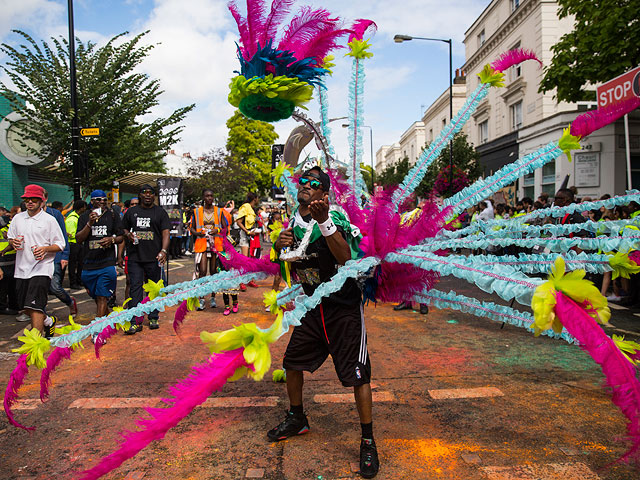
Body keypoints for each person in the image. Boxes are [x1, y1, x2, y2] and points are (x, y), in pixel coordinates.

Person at [270, 166, 379, 478]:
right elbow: (288, 269)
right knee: (292, 362)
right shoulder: (293, 220)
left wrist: (324, 222)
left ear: (324, 194)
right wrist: (279, 247)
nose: (304, 185)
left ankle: (368, 440)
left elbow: (346, 257)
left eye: (312, 183)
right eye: (302, 181)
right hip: (312, 308)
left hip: (342, 309)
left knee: (358, 376)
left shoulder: (335, 217)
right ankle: (297, 418)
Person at [7, 184, 66, 337]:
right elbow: (10, 238)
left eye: (34, 199)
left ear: (41, 201)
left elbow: (60, 244)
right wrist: (13, 243)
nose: (30, 202)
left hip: (42, 268)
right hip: (21, 269)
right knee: (25, 306)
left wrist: (45, 249)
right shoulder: (18, 219)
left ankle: (36, 342)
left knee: (37, 305)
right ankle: (48, 321)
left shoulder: (49, 220)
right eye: (27, 199)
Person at [120, 184, 170, 334]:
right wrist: (128, 234)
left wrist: (164, 251)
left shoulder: (160, 212)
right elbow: (123, 228)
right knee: (135, 288)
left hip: (154, 257)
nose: (148, 195)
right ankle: (135, 321)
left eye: (151, 193)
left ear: (154, 196)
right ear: (139, 195)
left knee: (154, 288)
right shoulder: (132, 212)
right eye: (144, 193)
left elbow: (166, 233)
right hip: (135, 257)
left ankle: (153, 316)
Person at [76, 190, 124, 342]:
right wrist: (89, 223)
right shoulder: (84, 217)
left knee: (102, 296)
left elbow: (121, 236)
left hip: (107, 263)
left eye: (104, 200)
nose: (101, 203)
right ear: (92, 202)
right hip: (88, 264)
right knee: (96, 297)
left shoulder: (113, 215)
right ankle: (110, 320)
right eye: (98, 200)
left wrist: (112, 239)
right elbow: (78, 239)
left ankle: (97, 331)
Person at [191, 189, 234, 310]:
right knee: (203, 271)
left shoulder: (219, 211)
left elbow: (225, 228)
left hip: (216, 245)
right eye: (207, 196)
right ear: (203, 198)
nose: (209, 198)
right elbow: (192, 228)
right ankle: (202, 298)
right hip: (202, 243)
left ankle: (213, 297)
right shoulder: (197, 211)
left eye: (211, 196)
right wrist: (198, 233)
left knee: (214, 272)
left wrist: (218, 230)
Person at [43, 190, 77, 317]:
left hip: (55, 256)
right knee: (39, 288)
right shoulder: (26, 216)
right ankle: (42, 314)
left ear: (45, 198)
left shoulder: (55, 214)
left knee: (55, 287)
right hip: (37, 259)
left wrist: (64, 255)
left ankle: (69, 302)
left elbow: (63, 235)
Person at [236, 192, 261, 288]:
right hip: (245, 236)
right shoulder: (245, 207)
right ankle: (241, 282)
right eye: (257, 198)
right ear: (255, 198)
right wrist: (247, 232)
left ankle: (250, 279)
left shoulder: (253, 209)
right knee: (244, 259)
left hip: (253, 236)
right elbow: (239, 222)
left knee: (252, 259)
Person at [0, 209, 19, 315]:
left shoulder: (9, 226)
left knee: (12, 285)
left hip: (12, 260)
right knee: (3, 286)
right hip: (2, 261)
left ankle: (14, 305)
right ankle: (2, 307)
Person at [66, 200, 87, 289]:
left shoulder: (78, 217)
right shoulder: (72, 219)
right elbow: (71, 234)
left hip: (79, 244)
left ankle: (79, 280)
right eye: (84, 207)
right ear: (81, 208)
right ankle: (73, 283)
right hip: (74, 244)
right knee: (73, 264)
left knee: (80, 264)